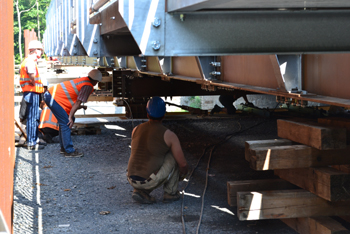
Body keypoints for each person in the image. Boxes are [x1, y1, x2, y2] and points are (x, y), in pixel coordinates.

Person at [127, 97, 189, 204]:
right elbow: (182, 164)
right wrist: (182, 174)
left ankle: (140, 191)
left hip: (131, 178)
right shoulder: (169, 135)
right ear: (164, 115)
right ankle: (170, 193)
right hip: (148, 180)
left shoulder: (135, 129)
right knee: (173, 155)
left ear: (147, 114)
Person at [43, 69, 102, 157]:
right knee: (67, 122)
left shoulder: (83, 80)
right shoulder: (88, 86)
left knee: (65, 122)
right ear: (96, 81)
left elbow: (74, 101)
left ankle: (64, 148)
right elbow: (78, 102)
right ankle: (69, 151)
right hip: (53, 98)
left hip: (51, 96)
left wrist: (78, 109)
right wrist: (70, 116)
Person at [19, 40, 46, 150]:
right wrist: (34, 82)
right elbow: (31, 75)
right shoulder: (30, 62)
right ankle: (31, 142)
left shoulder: (28, 61)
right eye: (40, 50)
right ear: (35, 51)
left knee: (33, 117)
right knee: (32, 118)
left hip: (31, 92)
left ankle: (35, 140)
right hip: (32, 92)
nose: (41, 53)